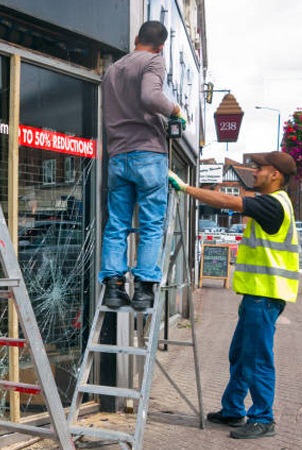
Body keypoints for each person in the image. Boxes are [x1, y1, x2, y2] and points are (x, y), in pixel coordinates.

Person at [169, 151, 299, 440]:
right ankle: (232, 409)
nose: (253, 172)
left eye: (259, 168)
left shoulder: (273, 204)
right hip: (257, 295)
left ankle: (263, 418)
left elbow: (227, 201)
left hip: (264, 296)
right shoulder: (273, 203)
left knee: (256, 357)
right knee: (240, 354)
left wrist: (186, 187)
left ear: (275, 175)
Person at [99, 20, 184, 309]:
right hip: (147, 153)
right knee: (150, 225)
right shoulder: (154, 61)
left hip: (118, 156)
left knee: (117, 224)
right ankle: (144, 290)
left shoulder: (112, 70)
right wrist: (175, 109)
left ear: (136, 38)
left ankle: (113, 286)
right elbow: (150, 96)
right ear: (162, 47)